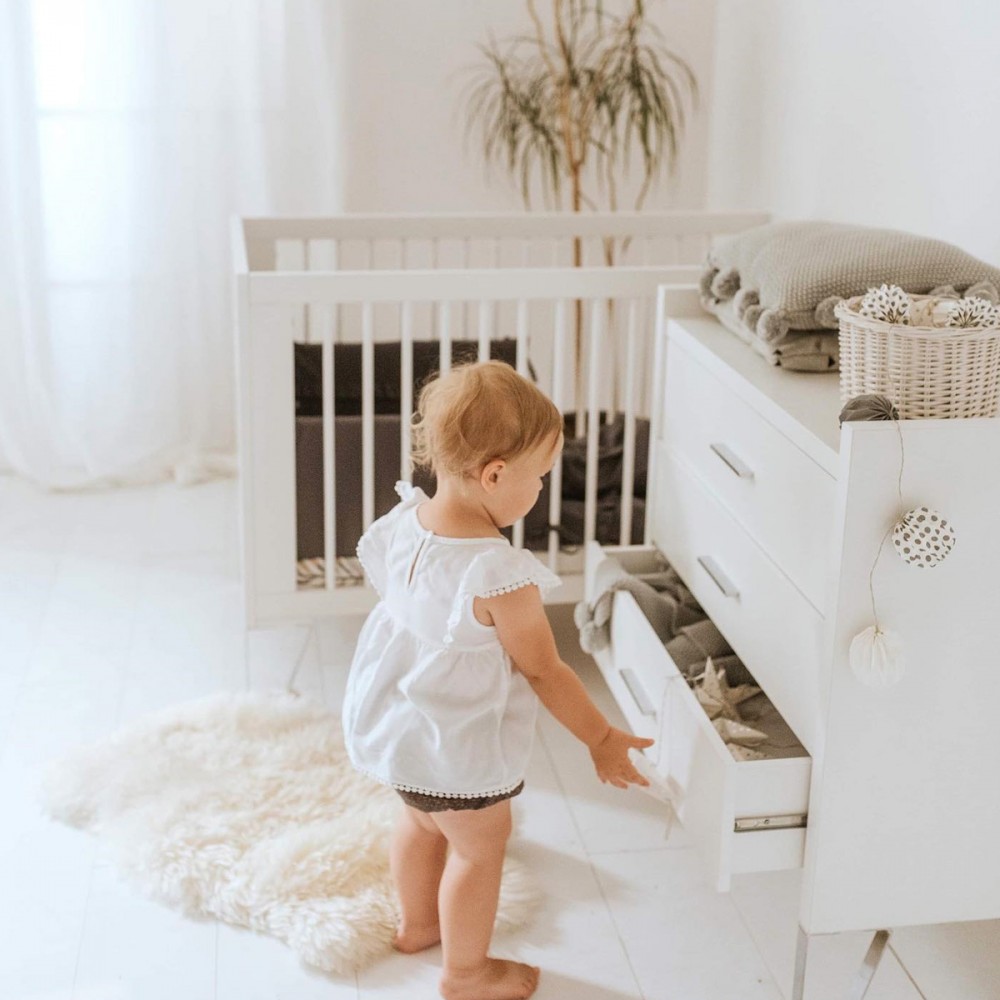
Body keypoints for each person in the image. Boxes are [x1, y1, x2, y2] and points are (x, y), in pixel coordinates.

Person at [342, 360, 654, 1000]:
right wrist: (599, 737)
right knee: (479, 851)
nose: (541, 489)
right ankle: (466, 973)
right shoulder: (497, 573)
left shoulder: (405, 523)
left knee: (420, 825)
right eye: (540, 477)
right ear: (494, 475)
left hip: (400, 730)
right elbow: (544, 669)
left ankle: (417, 924)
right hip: (456, 749)